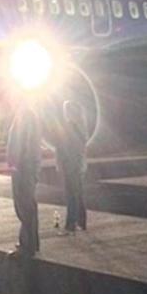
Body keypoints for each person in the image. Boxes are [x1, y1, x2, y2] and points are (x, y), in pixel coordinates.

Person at [7, 106, 42, 258]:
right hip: (28, 167)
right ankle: (32, 242)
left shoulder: (23, 117)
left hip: (23, 168)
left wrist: (16, 165)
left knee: (24, 207)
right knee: (29, 206)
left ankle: (27, 246)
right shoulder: (31, 117)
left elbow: (22, 145)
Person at [55, 100, 88, 233]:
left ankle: (71, 223)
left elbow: (62, 147)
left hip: (70, 164)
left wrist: (60, 162)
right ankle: (81, 220)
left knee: (71, 194)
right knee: (77, 193)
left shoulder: (69, 126)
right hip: (78, 163)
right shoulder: (80, 127)